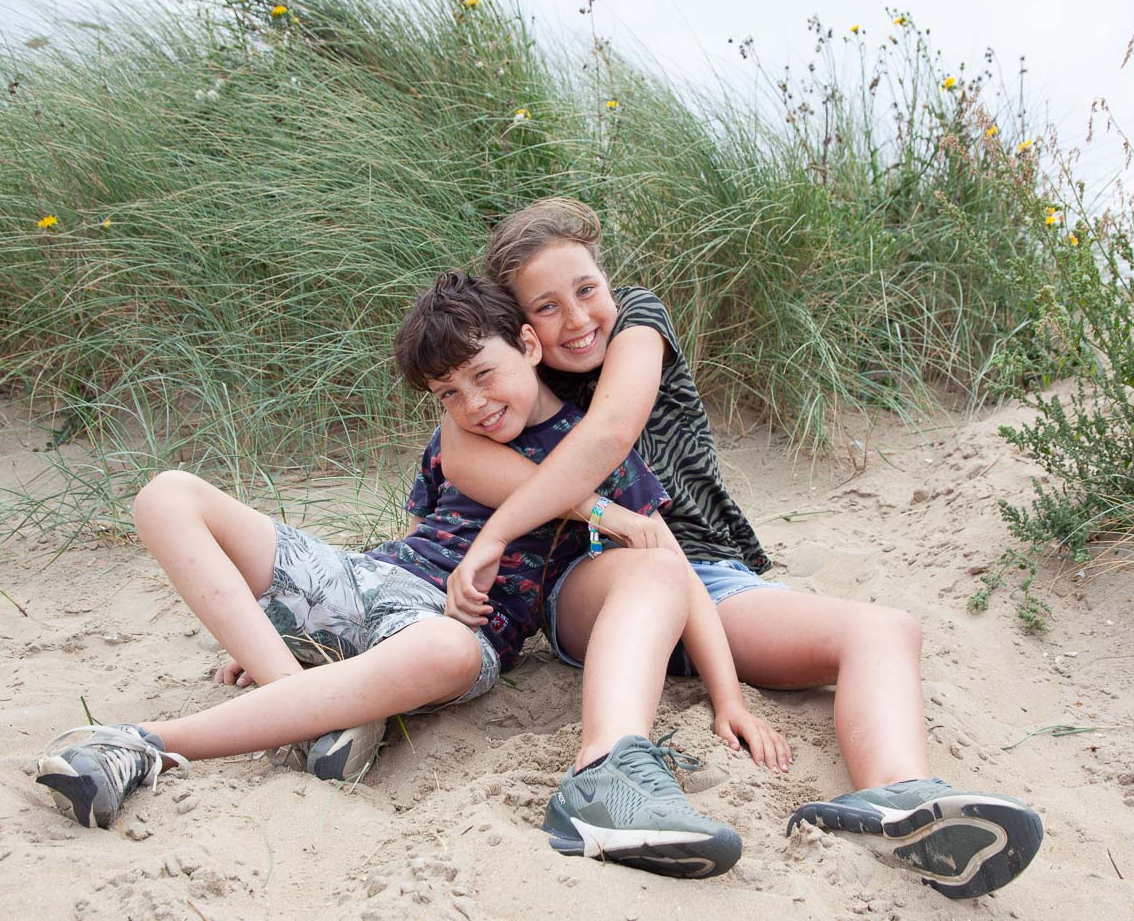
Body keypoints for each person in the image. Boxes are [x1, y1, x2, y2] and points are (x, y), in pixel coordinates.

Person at [34, 271, 768, 879]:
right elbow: (421, 534)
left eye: (484, 376)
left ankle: (144, 741)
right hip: (375, 581)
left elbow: (673, 572)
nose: (475, 405)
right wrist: (278, 623)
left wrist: (728, 694)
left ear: (527, 345)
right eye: (450, 393)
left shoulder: (597, 454)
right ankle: (299, 697)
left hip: (461, 629)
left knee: (444, 647)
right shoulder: (459, 438)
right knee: (167, 494)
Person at [438, 198, 1044, 900]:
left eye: (586, 289)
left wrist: (729, 691)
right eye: (546, 307)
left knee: (885, 628)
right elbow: (459, 453)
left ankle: (900, 802)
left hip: (713, 578)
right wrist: (582, 517)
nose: (576, 319)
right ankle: (604, 775)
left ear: (607, 280)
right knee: (652, 570)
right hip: (597, 577)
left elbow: (610, 431)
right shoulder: (506, 370)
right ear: (521, 330)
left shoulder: (636, 320)